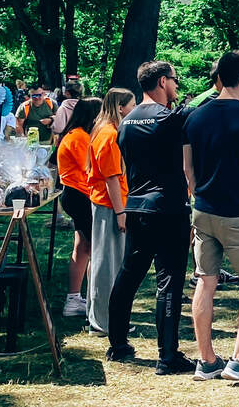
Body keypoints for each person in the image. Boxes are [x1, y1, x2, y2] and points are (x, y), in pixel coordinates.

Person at [184, 51, 239, 382]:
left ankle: (206, 361)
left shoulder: (194, 116)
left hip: (204, 210)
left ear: (219, 77)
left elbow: (187, 170)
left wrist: (199, 194)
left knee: (205, 281)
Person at [105, 61, 198, 373]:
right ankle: (168, 356)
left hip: (136, 207)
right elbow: (207, 105)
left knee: (128, 275)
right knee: (169, 280)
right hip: (167, 208)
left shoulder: (126, 121)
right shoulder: (167, 118)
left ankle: (117, 344)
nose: (177, 85)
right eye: (174, 79)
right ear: (162, 81)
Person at [86, 88, 137, 335]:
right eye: (132, 105)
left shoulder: (106, 130)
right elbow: (111, 178)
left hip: (106, 204)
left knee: (104, 261)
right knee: (108, 264)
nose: (134, 110)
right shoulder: (109, 134)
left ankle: (99, 317)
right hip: (109, 205)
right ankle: (104, 322)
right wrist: (120, 213)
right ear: (120, 108)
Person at [56, 97, 101, 318]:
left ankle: (74, 299)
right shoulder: (79, 137)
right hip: (80, 195)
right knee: (97, 249)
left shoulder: (75, 134)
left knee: (83, 247)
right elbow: (91, 167)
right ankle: (94, 301)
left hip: (76, 195)